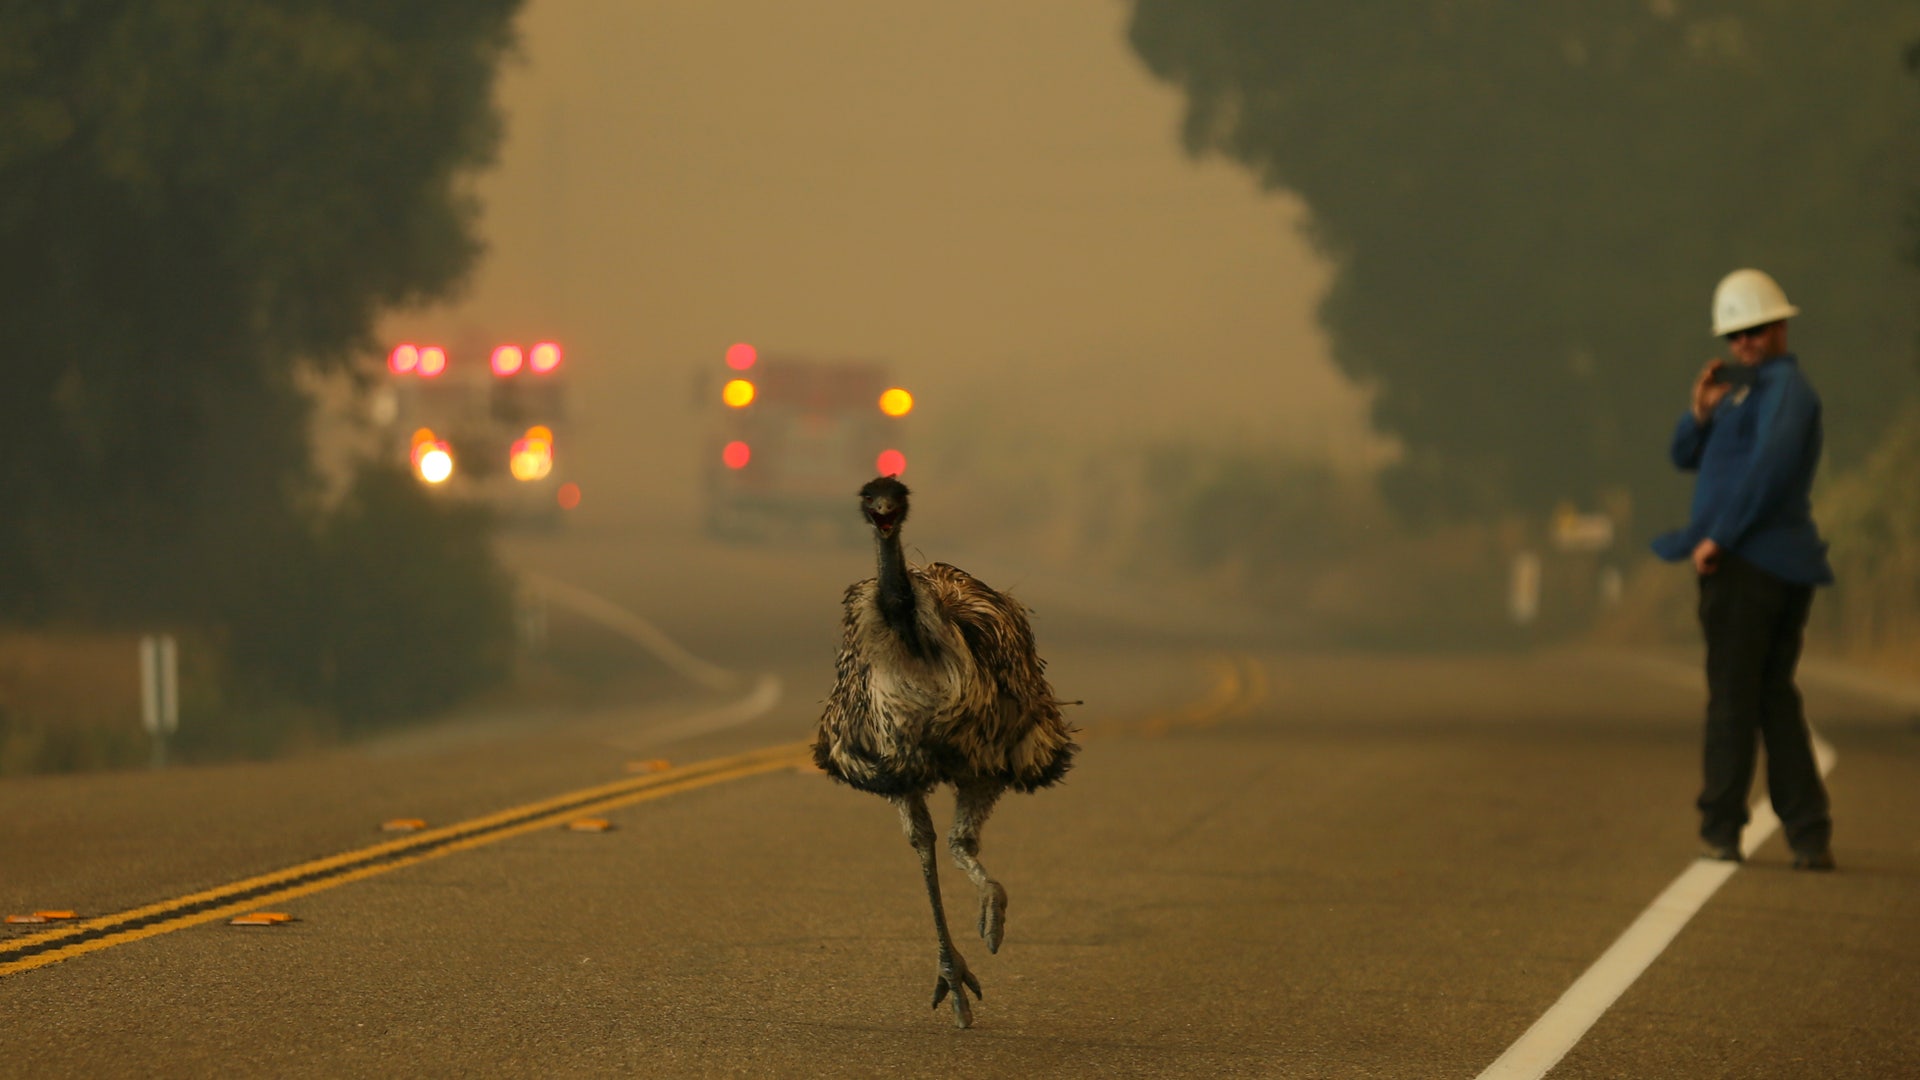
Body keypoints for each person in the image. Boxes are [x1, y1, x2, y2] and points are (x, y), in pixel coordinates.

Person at [1651, 268, 1835, 871]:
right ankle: (1808, 831)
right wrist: (1700, 412)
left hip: (1752, 567)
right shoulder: (1744, 396)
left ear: (1780, 326)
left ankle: (1722, 827)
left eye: (1756, 330)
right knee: (1771, 698)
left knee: (1733, 698)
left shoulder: (1787, 392)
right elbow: (1684, 455)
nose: (1745, 344)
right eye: (1736, 335)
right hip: (1755, 565)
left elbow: (1770, 473)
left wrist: (1718, 540)